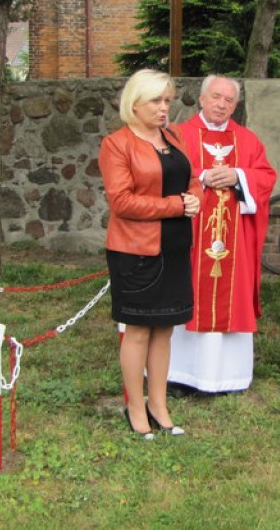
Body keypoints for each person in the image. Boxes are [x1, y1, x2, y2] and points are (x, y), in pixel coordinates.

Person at [98, 69, 204, 439]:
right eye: (157, 101)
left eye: (167, 101)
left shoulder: (172, 136)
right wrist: (177, 205)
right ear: (135, 104)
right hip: (135, 251)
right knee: (139, 331)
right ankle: (135, 407)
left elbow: (192, 178)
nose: (164, 108)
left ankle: (159, 405)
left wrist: (195, 198)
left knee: (165, 330)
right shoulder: (116, 144)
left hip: (175, 245)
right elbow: (122, 201)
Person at [166, 75, 277, 395]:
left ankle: (228, 377)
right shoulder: (178, 135)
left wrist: (239, 176)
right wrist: (201, 176)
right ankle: (180, 375)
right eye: (216, 97)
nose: (221, 105)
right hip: (190, 238)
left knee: (231, 295)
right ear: (201, 99)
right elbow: (163, 174)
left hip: (233, 241)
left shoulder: (248, 140)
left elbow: (266, 177)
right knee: (188, 293)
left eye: (229, 101)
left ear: (235, 105)